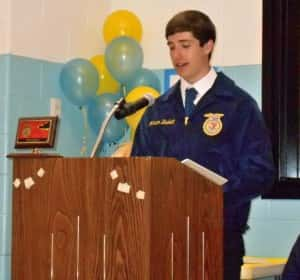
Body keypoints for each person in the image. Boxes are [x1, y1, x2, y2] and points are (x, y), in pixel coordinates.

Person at [130, 10, 275, 280]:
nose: (177, 55)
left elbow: (261, 171)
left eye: (185, 45)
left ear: (208, 46)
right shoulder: (157, 111)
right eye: (171, 47)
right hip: (162, 240)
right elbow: (138, 169)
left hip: (218, 239)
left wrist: (209, 193)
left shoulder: (238, 105)